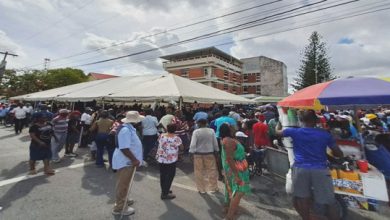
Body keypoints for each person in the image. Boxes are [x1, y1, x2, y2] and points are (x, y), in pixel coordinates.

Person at [276, 110, 343, 220]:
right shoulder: (325, 134)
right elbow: (338, 153)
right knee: (329, 202)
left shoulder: (295, 132)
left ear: (300, 120)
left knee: (302, 199)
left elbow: (277, 132)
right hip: (320, 170)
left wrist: (279, 121)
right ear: (316, 120)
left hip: (300, 169)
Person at [112, 111, 143, 216]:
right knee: (123, 184)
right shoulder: (125, 130)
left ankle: (124, 199)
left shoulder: (129, 128)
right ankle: (119, 207)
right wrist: (134, 159)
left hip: (127, 161)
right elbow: (124, 148)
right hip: (125, 161)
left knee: (125, 183)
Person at [219, 123, 250, 220]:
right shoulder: (229, 141)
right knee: (239, 192)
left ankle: (229, 209)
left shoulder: (228, 140)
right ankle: (229, 216)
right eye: (231, 127)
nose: (234, 128)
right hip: (237, 170)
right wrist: (236, 175)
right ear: (228, 130)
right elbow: (229, 159)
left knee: (232, 190)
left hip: (238, 168)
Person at [189, 118, 219, 194]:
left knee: (199, 172)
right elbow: (215, 143)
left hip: (198, 154)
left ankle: (201, 189)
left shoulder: (196, 132)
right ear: (206, 123)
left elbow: (193, 144)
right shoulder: (211, 131)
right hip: (209, 153)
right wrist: (216, 151)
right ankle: (213, 188)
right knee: (212, 171)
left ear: (199, 123)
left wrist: (191, 153)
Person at [156, 123, 183, 200]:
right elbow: (181, 147)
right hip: (171, 159)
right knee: (170, 175)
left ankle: (164, 190)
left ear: (167, 129)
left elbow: (159, 142)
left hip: (161, 158)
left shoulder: (161, 135)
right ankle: (165, 193)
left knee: (163, 175)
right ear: (175, 130)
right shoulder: (176, 138)